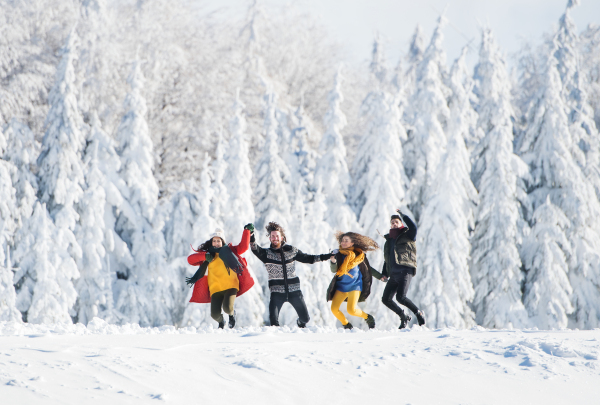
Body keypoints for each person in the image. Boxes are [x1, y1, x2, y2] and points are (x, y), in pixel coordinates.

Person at [250, 221, 332, 328]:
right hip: (276, 293)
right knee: (273, 322)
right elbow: (255, 248)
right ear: (269, 238)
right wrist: (251, 235)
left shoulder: (291, 251)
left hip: (294, 292)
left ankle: (300, 324)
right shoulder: (266, 254)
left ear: (282, 237)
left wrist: (327, 256)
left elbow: (309, 258)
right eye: (272, 236)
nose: (275, 238)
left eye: (277, 236)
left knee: (305, 319)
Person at [186, 224, 255, 328]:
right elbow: (190, 260)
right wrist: (204, 256)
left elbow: (244, 247)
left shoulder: (231, 251)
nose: (216, 243)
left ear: (222, 242)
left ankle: (232, 315)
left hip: (231, 286)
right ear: (211, 242)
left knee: (227, 308)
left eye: (219, 241)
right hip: (215, 288)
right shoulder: (209, 255)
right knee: (214, 314)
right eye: (214, 241)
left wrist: (246, 231)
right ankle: (222, 322)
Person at [326, 231, 385, 330]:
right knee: (334, 309)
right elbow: (334, 270)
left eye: (346, 241)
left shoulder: (358, 255)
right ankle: (347, 325)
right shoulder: (338, 254)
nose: (343, 243)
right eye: (342, 241)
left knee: (352, 310)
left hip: (355, 286)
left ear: (352, 243)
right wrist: (333, 261)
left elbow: (368, 269)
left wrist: (380, 276)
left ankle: (368, 318)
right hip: (341, 286)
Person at [381, 209, 425, 329]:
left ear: (401, 224)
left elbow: (413, 227)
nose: (394, 224)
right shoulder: (389, 241)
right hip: (394, 273)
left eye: (396, 222)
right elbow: (387, 260)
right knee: (386, 299)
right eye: (392, 223)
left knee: (400, 297)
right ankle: (403, 316)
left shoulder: (407, 235)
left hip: (405, 270)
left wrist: (403, 215)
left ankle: (418, 313)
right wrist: (384, 273)